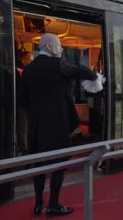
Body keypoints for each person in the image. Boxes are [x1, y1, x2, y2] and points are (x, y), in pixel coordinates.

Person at [19, 33, 99, 216]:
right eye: (58, 45)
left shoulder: (28, 69)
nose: (61, 48)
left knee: (38, 164)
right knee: (60, 160)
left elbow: (23, 101)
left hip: (36, 126)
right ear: (48, 47)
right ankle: (54, 203)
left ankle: (38, 203)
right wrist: (93, 76)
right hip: (58, 124)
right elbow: (78, 71)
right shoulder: (59, 63)